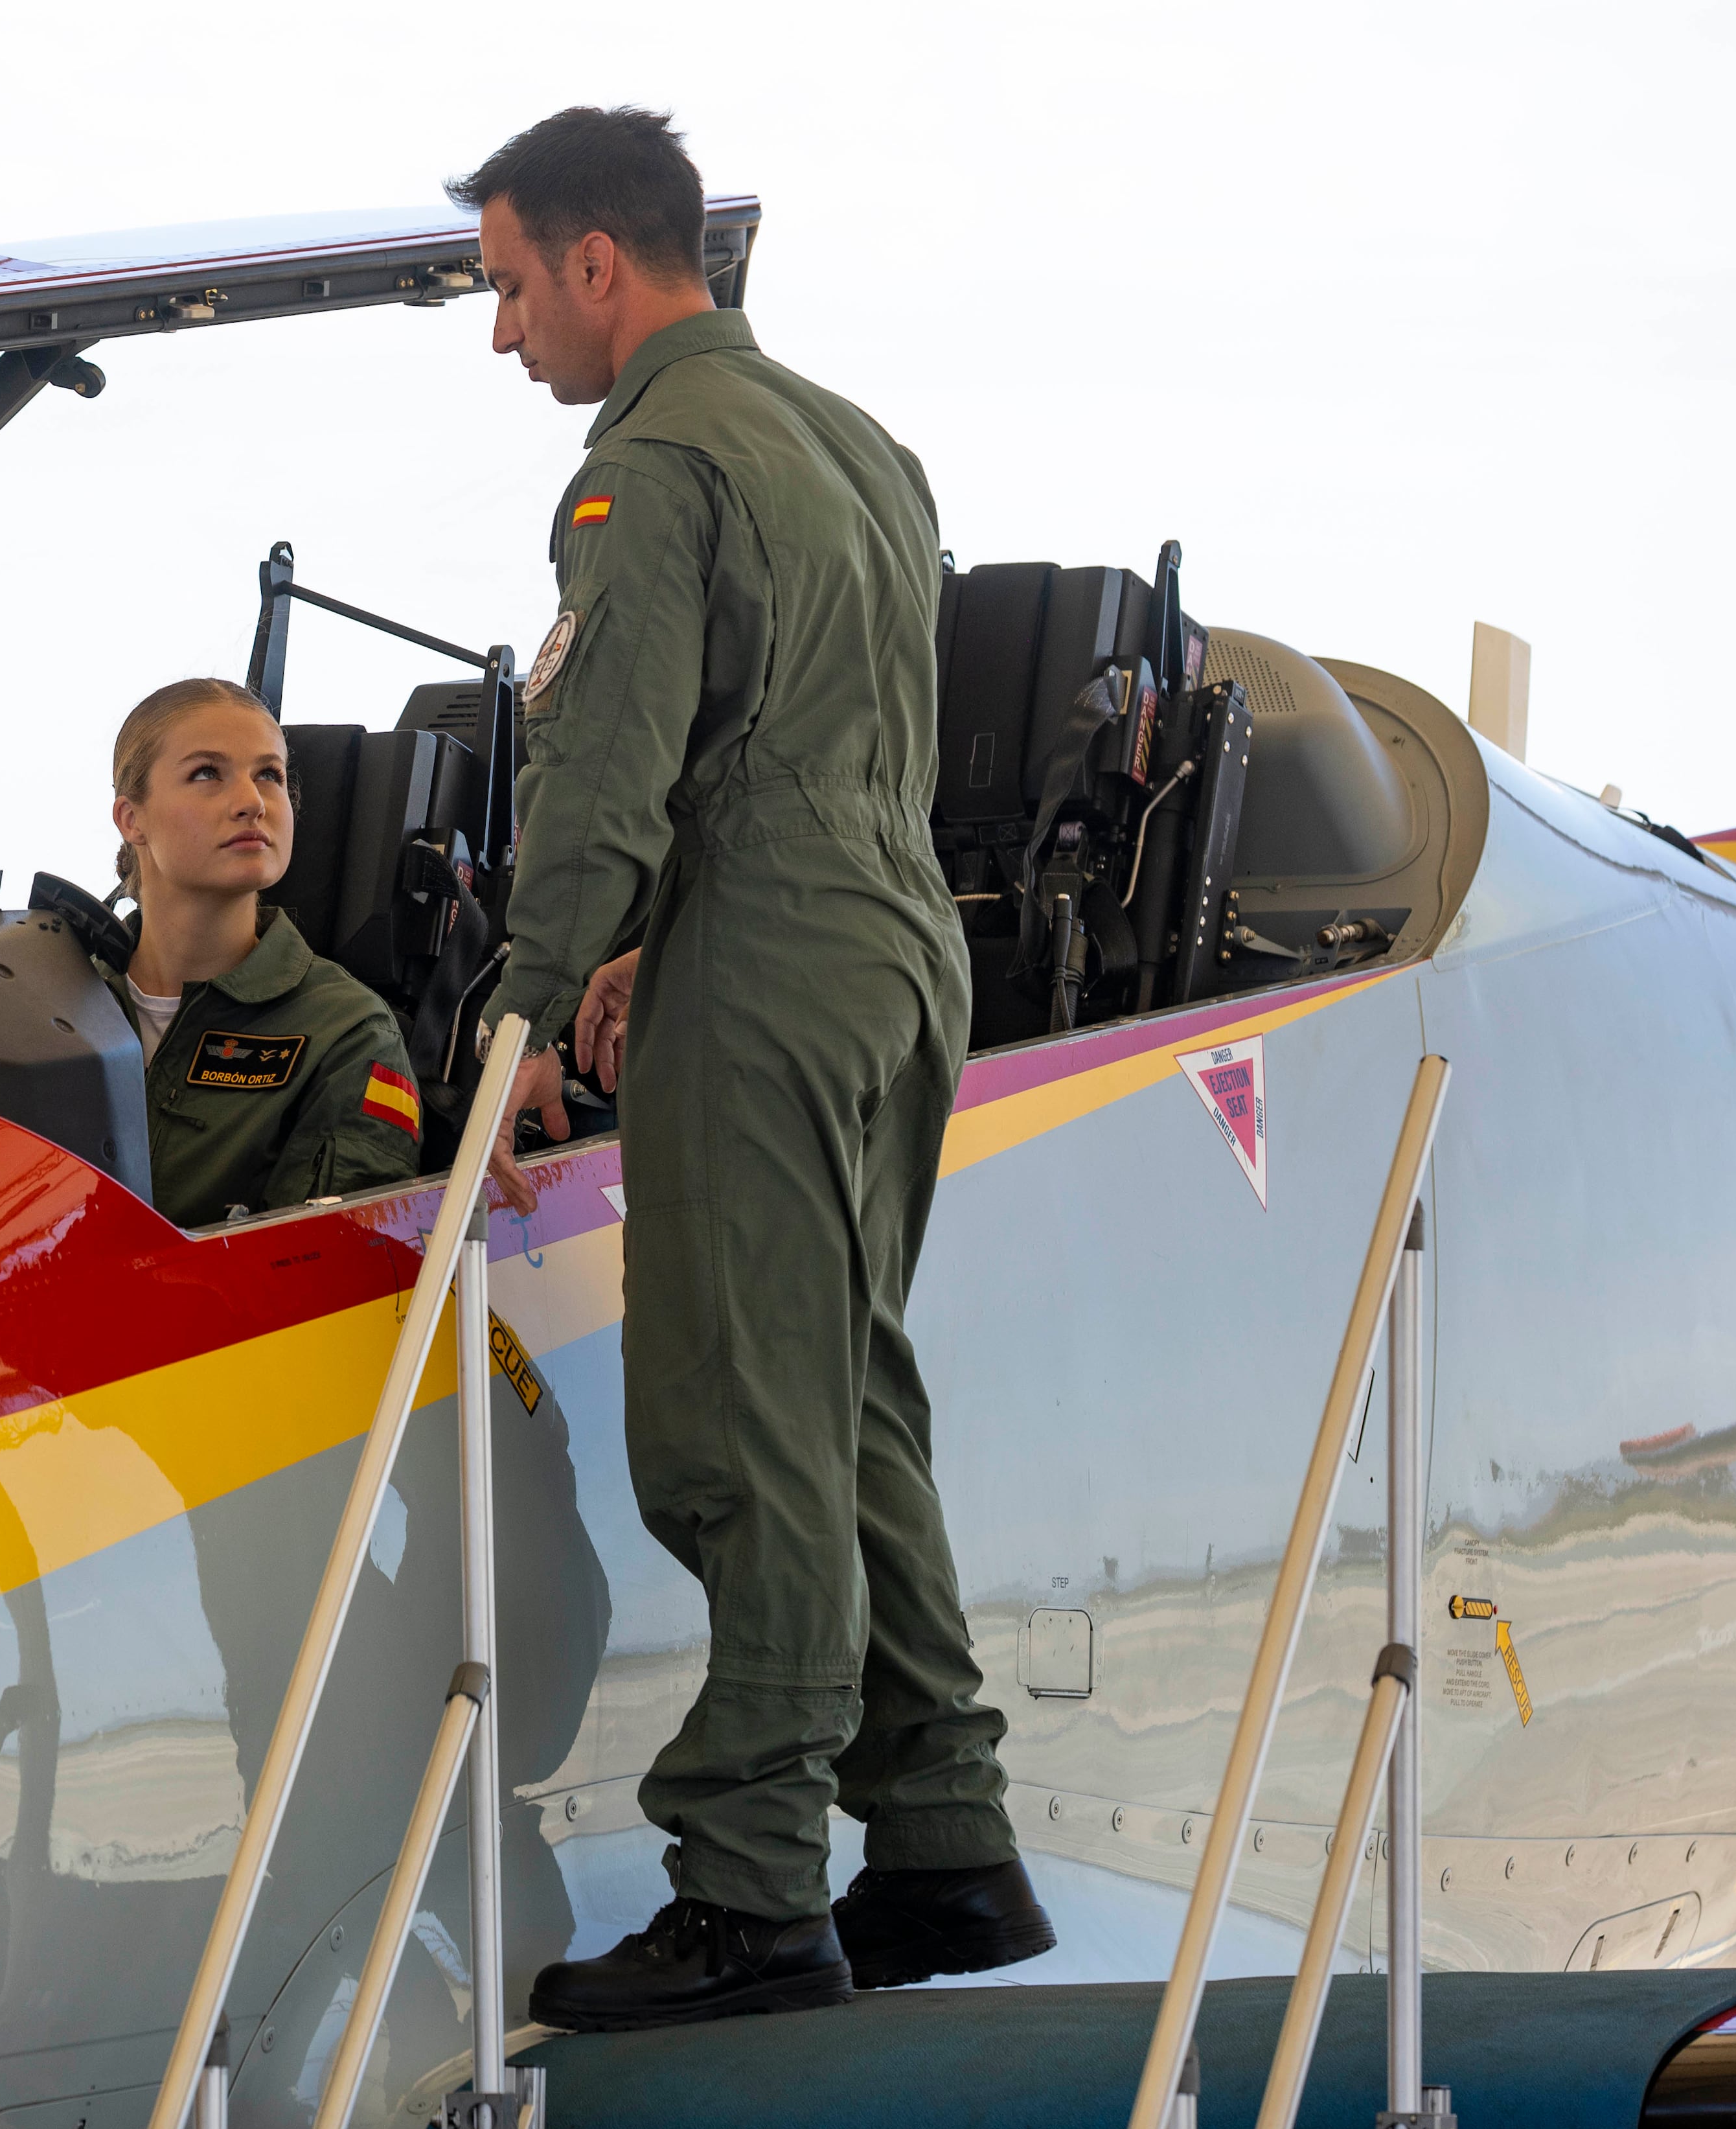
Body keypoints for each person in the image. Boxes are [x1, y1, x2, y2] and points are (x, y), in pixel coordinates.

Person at [454, 107, 1051, 2029]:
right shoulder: (857, 447)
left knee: (737, 1423)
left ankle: (750, 1887)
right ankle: (945, 1846)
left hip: (775, 970)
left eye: (507, 287)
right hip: (897, 952)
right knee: (848, 1391)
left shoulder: (646, 470)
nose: (503, 335)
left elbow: (609, 763)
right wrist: (661, 939)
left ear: (595, 266)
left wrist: (529, 1000)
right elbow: (814, 732)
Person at [99, 678, 425, 1228]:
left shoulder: (348, 1035)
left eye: (269, 775)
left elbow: (327, 1280)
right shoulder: (52, 997)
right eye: (207, 773)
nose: (252, 801)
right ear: (133, 819)